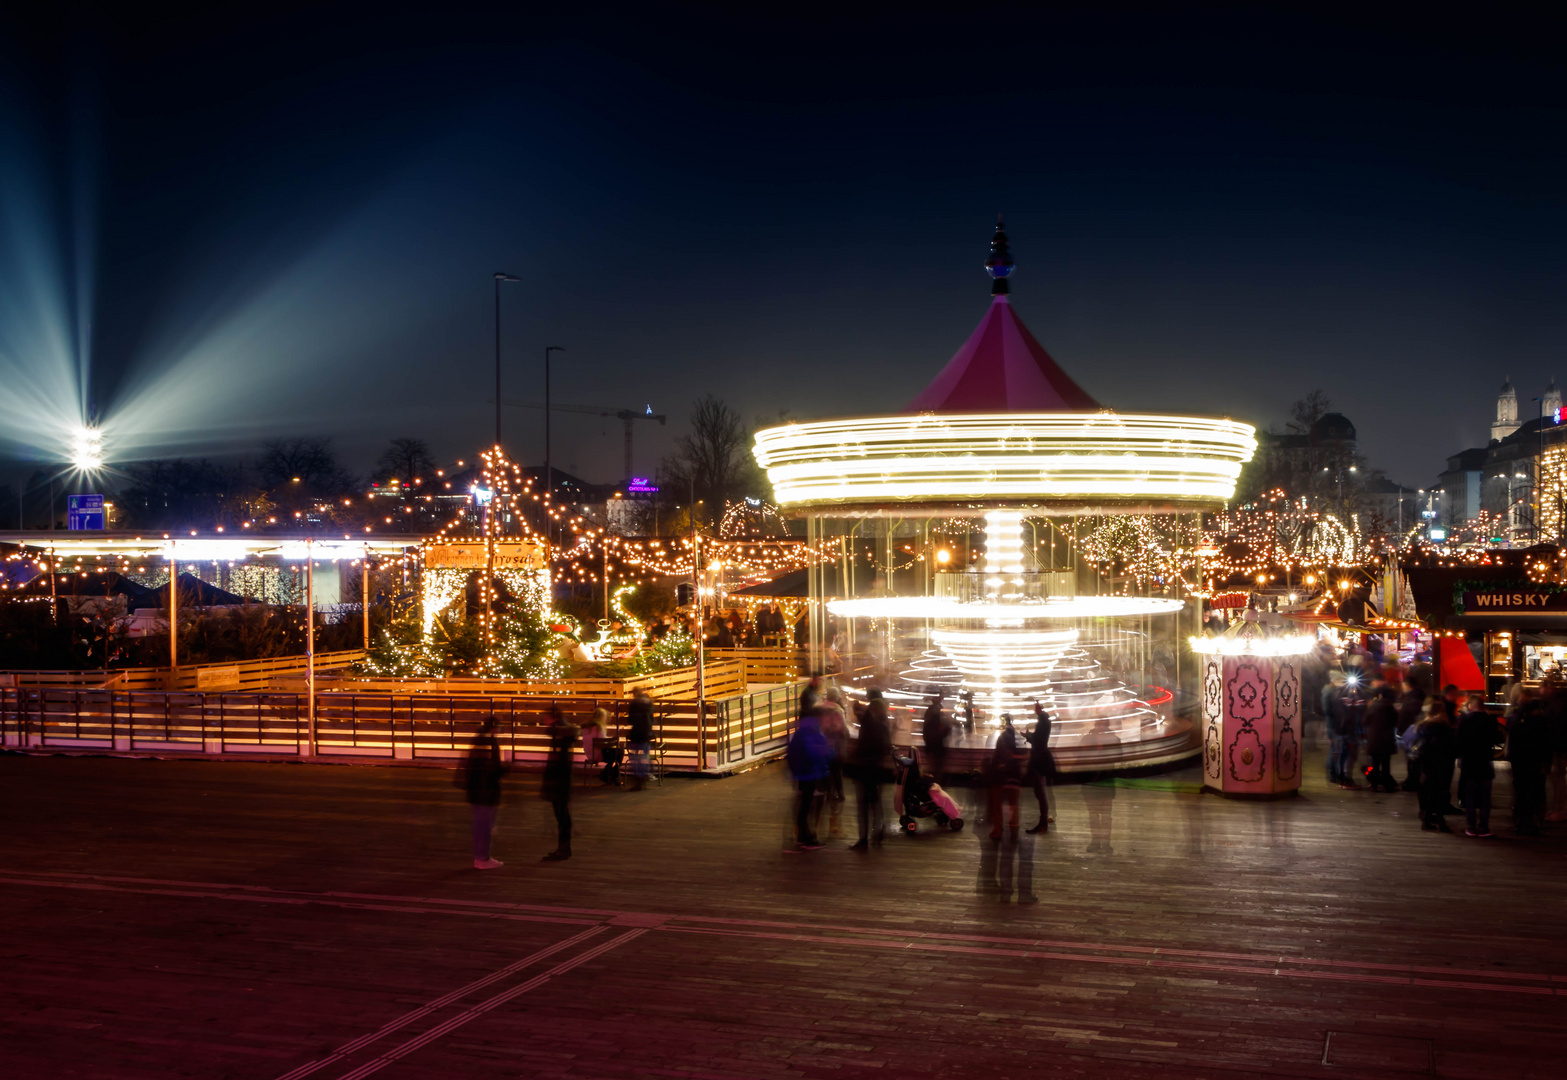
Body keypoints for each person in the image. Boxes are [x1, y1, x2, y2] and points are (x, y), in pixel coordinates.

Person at [461, 716, 508, 870]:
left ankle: (481, 857)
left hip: (477, 789)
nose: (500, 731)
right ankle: (482, 858)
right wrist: (506, 768)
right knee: (484, 824)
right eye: (499, 727)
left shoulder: (478, 740)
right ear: (493, 727)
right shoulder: (490, 743)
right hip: (486, 790)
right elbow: (491, 769)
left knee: (480, 824)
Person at [849, 688, 892, 850]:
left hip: (864, 768)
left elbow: (864, 743)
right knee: (876, 802)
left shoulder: (870, 722)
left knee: (863, 805)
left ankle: (863, 839)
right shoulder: (883, 723)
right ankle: (878, 830)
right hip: (878, 769)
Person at [785, 709, 832, 850]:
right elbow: (820, 753)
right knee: (807, 808)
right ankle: (806, 839)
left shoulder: (801, 732)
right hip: (810, 774)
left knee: (804, 807)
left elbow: (792, 753)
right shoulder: (813, 733)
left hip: (802, 774)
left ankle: (802, 838)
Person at [1455, 693, 1500, 838]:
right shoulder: (1491, 721)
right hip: (1485, 761)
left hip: (1469, 762)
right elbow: (1497, 738)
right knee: (1485, 796)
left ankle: (1471, 826)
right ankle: (1484, 826)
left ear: (1470, 706)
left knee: (1470, 795)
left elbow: (1459, 741)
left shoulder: (1465, 720)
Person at [1508, 690, 1551, 837]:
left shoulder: (1518, 721)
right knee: (1534, 792)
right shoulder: (1540, 724)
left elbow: (1513, 742)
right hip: (1534, 762)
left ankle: (1520, 819)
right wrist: (1546, 762)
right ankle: (1531, 821)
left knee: (1521, 791)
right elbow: (1545, 745)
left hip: (1520, 762)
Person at [1413, 698, 1456, 833]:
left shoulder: (1421, 726)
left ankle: (1427, 818)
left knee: (1428, 791)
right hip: (1440, 763)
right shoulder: (1443, 727)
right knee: (1438, 792)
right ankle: (1439, 821)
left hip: (1425, 764)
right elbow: (1449, 747)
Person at [541, 706, 578, 860]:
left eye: (546, 717)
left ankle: (563, 849)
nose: (544, 721)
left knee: (561, 815)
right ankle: (563, 848)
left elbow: (558, 761)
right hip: (561, 779)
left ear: (553, 717)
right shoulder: (562, 733)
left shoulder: (560, 733)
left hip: (559, 779)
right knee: (562, 814)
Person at [988, 715, 1025, 841]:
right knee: (1013, 805)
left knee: (998, 804)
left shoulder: (1003, 737)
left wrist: (998, 767)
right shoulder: (1017, 737)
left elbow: (1000, 754)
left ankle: (998, 830)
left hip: (1000, 776)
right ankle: (1014, 829)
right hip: (1014, 776)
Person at [818, 687, 849, 836]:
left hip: (823, 744)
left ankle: (827, 792)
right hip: (835, 744)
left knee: (827, 769)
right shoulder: (837, 710)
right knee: (837, 769)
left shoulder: (820, 708)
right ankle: (840, 792)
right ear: (835, 697)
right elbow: (843, 728)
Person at [1024, 701, 1057, 832]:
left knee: (1040, 792)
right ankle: (1043, 822)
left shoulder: (1043, 721)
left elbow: (1038, 740)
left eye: (1036, 707)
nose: (1034, 709)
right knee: (1041, 792)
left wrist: (1027, 735)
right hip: (1041, 759)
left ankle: (1043, 823)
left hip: (1039, 760)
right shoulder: (1045, 721)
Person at [1363, 682, 1399, 793]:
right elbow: (1395, 722)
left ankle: (1374, 785)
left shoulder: (1373, 707)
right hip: (1387, 739)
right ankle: (1387, 785)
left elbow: (1364, 721)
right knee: (1386, 764)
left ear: (1381, 695)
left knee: (1375, 763)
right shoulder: (1391, 708)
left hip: (1374, 739)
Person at [626, 689, 655, 790]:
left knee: (635, 757)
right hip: (646, 732)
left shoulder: (634, 703)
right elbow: (651, 719)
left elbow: (630, 719)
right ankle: (644, 773)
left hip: (636, 732)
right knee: (645, 755)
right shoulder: (649, 703)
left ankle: (638, 777)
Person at [921, 691, 949, 782]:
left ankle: (932, 782)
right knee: (937, 766)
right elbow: (944, 727)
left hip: (930, 742)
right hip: (937, 743)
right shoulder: (939, 710)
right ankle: (936, 782)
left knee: (933, 765)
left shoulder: (930, 710)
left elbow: (926, 727)